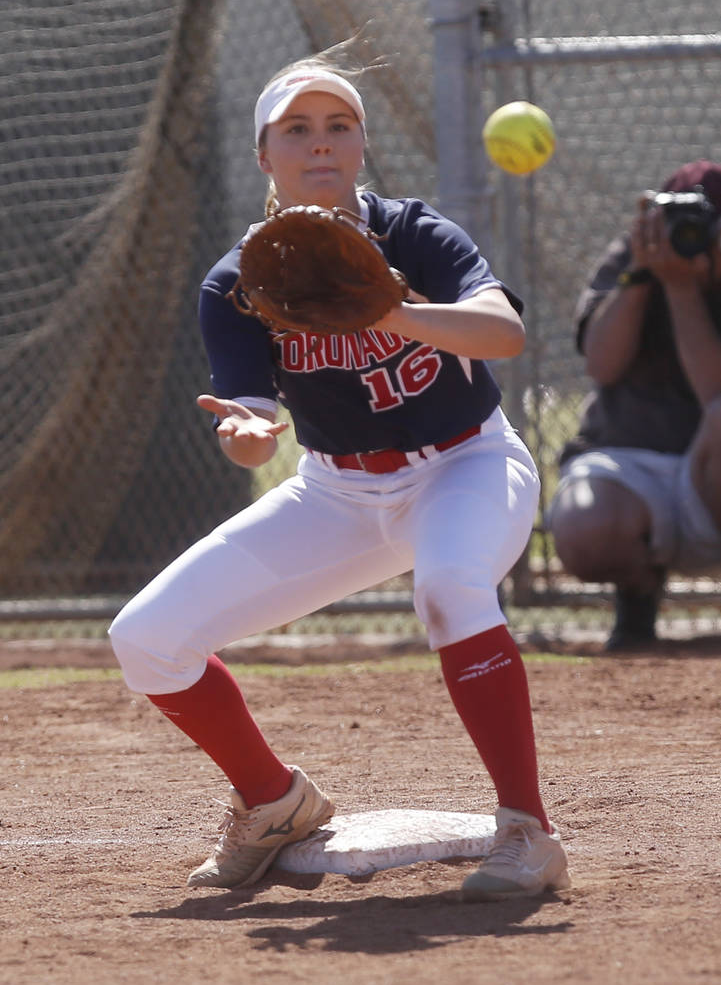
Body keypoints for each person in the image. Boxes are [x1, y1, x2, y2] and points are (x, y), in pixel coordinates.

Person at [109, 45, 570, 901]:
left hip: (464, 466)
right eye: (297, 129)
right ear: (265, 156)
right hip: (338, 490)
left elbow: (502, 334)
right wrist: (247, 435)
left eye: (339, 126)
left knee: (449, 589)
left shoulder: (413, 234)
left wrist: (385, 304)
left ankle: (526, 831)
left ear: (359, 146)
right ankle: (273, 802)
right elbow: (248, 423)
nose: (320, 143)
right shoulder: (239, 281)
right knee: (144, 638)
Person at [548, 160, 721, 652]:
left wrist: (685, 290)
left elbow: (715, 395)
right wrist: (645, 276)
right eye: (680, 226)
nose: (689, 238)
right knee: (586, 526)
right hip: (629, 462)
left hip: (711, 474)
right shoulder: (633, 257)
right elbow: (602, 364)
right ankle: (638, 596)